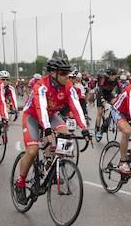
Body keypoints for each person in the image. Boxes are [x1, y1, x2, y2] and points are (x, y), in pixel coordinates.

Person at [14, 58, 90, 204]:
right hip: (32, 117)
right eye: (63, 73)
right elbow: (41, 107)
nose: (67, 76)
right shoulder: (41, 85)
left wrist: (85, 129)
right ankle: (20, 183)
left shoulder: (68, 86)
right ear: (53, 73)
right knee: (32, 151)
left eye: (68, 73)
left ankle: (52, 164)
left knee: (66, 133)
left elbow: (76, 107)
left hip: (51, 115)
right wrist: (48, 129)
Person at [94, 68, 121, 140]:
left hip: (109, 95)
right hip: (101, 95)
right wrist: (102, 100)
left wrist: (119, 98)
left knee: (114, 105)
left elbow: (120, 91)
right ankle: (98, 129)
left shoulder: (116, 80)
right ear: (108, 75)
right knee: (100, 112)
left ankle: (110, 119)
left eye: (114, 75)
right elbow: (100, 90)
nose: (113, 77)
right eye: (111, 75)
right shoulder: (103, 79)